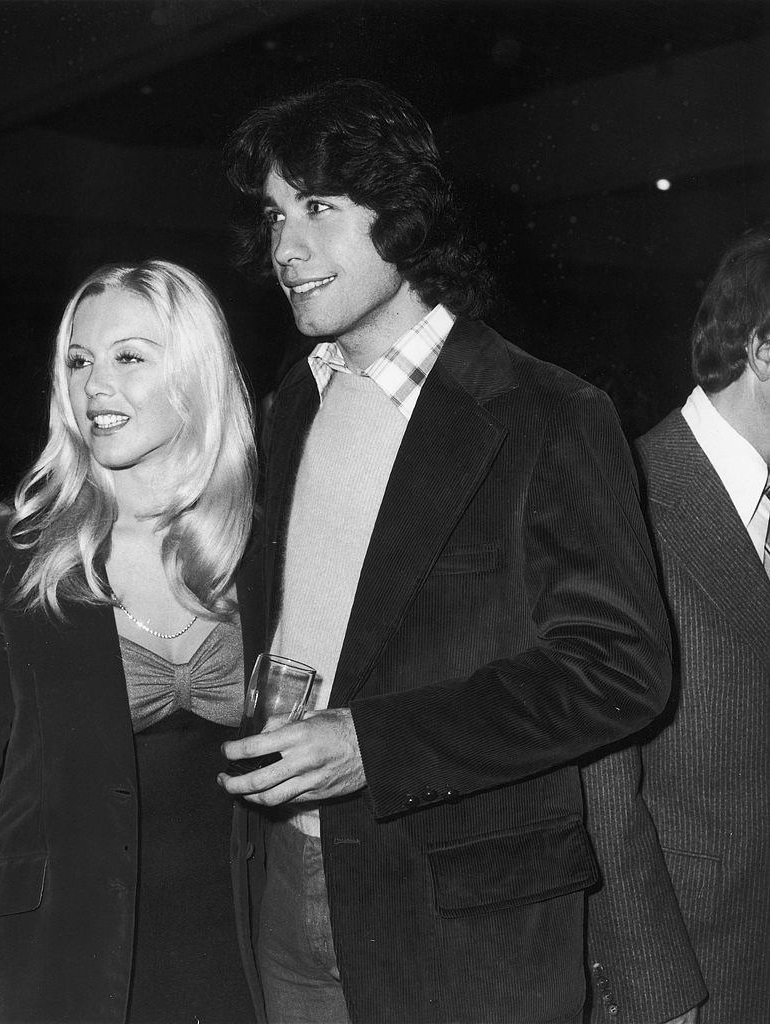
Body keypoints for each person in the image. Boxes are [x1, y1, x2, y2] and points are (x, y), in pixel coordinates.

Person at [215, 79, 676, 1024]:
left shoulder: (549, 414)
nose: (284, 249)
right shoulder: (293, 403)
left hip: (464, 929)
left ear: (406, 217)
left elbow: (621, 671)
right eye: (273, 215)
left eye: (317, 209)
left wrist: (373, 746)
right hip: (284, 884)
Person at [0, 260, 259, 1024]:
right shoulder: (16, 554)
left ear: (195, 373)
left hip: (235, 952)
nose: (95, 384)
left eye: (129, 356)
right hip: (53, 958)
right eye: (79, 360)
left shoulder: (260, 547)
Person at [584, 226, 770, 1023]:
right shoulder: (627, 496)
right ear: (766, 348)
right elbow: (601, 784)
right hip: (697, 964)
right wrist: (658, 985)